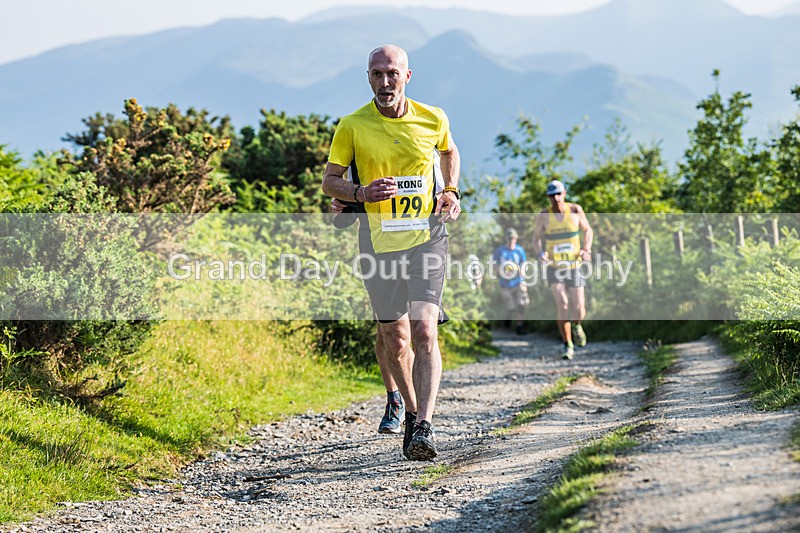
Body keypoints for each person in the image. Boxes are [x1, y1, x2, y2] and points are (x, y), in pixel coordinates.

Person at [322, 44, 461, 460]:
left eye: (392, 74)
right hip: (379, 242)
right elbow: (331, 181)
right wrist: (361, 192)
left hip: (427, 238)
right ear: (368, 77)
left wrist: (450, 192)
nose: (385, 82)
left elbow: (449, 152)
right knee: (395, 337)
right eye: (377, 74)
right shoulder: (351, 125)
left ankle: (424, 425)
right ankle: (411, 410)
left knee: (423, 329)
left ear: (407, 76)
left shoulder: (433, 117)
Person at [532, 180, 593, 360]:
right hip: (554, 266)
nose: (556, 198)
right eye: (552, 195)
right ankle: (567, 344)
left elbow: (588, 230)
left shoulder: (575, 210)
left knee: (579, 307)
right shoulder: (544, 215)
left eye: (558, 194)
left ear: (564, 193)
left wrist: (586, 249)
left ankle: (577, 325)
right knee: (562, 304)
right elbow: (536, 239)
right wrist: (540, 253)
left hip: (574, 265)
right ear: (548, 197)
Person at [492, 228, 529, 334]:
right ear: (506, 239)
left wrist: (522, 273)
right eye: (510, 239)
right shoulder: (500, 251)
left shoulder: (519, 250)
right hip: (505, 283)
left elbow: (524, 263)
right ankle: (507, 320)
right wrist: (501, 271)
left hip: (518, 281)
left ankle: (520, 326)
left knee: (521, 304)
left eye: (514, 238)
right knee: (511, 306)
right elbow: (494, 264)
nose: (512, 241)